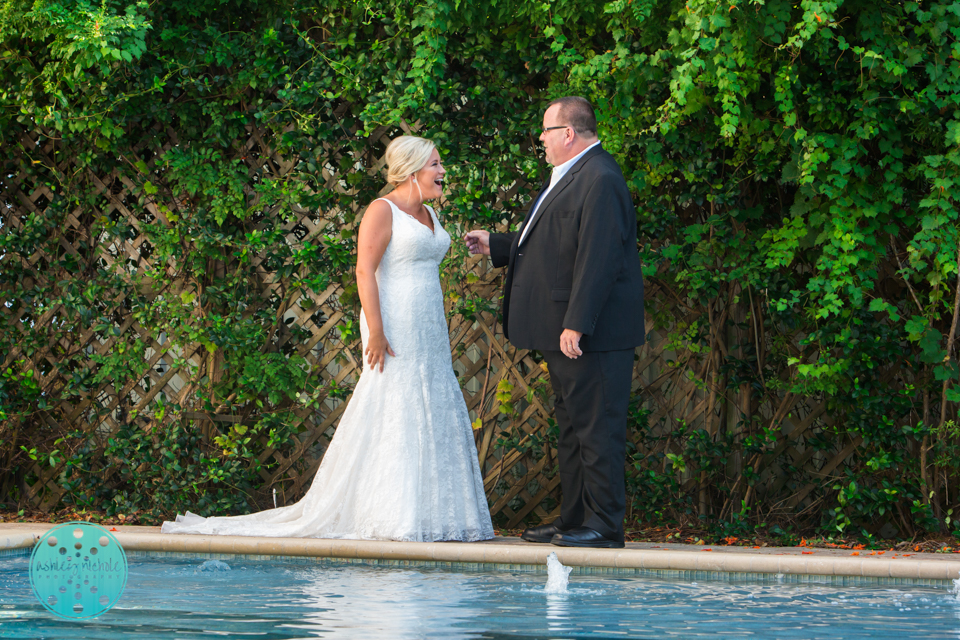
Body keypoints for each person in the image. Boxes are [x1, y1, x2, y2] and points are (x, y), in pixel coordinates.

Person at [163, 136, 494, 542]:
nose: (443, 172)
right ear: (411, 170)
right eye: (436, 165)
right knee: (395, 403)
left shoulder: (428, 213)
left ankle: (436, 516)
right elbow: (364, 271)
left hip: (429, 325)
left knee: (431, 399)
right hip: (393, 323)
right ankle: (396, 515)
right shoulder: (381, 210)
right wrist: (375, 329)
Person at [464, 96, 644, 549]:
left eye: (545, 131)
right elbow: (553, 244)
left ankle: (604, 526)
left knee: (598, 429)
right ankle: (575, 518)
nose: (540, 140)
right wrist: (499, 245)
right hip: (566, 331)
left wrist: (577, 323)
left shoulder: (600, 177)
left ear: (568, 133)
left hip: (591, 336)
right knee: (573, 429)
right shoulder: (573, 175)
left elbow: (598, 257)